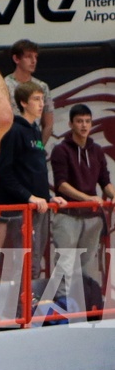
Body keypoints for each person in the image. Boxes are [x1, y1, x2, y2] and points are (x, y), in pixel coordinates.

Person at [0, 81, 66, 280]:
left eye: (43, 99)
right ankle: (21, 306)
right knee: (25, 262)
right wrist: (29, 197)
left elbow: (34, 172)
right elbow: (4, 171)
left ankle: (31, 304)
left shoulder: (35, 131)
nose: (41, 104)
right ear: (23, 103)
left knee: (35, 261)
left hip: (39, 208)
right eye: (36, 99)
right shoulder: (14, 131)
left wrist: (48, 197)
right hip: (22, 211)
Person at [51, 103, 115, 294]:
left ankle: (86, 304)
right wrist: (87, 198)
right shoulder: (61, 150)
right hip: (68, 216)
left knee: (87, 266)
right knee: (65, 263)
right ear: (71, 124)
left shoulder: (97, 151)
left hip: (92, 217)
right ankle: (62, 305)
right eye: (79, 121)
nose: (84, 125)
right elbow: (61, 184)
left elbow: (105, 181)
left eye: (87, 121)